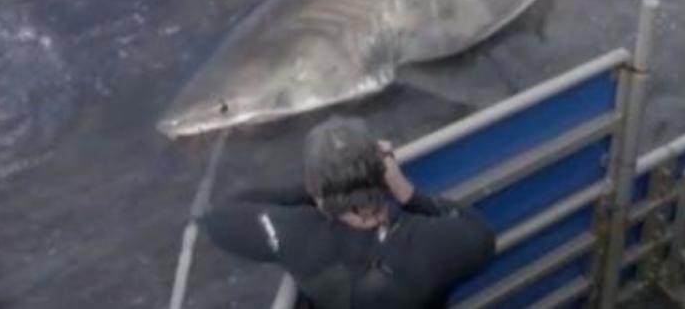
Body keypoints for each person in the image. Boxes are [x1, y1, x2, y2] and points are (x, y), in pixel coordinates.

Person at [199, 116, 496, 309]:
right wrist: (406, 191)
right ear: (383, 174)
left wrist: (321, 189)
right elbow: (479, 232)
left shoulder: (297, 234)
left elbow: (220, 217)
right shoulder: (433, 241)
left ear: (314, 186)